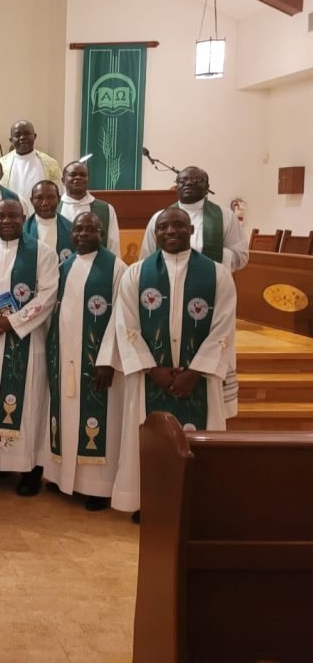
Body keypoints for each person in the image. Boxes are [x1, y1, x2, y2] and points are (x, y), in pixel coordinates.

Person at [111, 207, 237, 516]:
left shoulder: (217, 273)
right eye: (164, 227)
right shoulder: (136, 273)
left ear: (191, 230)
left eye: (178, 226)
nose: (171, 232)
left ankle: (197, 501)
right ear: (155, 234)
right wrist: (153, 370)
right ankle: (147, 500)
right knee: (148, 437)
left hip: (199, 380)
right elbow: (125, 325)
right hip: (150, 378)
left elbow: (224, 326)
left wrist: (194, 372)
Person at [0, 199, 58, 496]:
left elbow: (47, 295)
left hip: (25, 340)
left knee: (28, 399)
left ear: (23, 217)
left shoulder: (42, 253)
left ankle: (29, 467)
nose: (7, 221)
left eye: (13, 216)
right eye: (1, 216)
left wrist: (13, 322)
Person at [42, 212, 127, 511]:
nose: (83, 234)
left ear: (101, 233)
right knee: (63, 415)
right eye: (78, 229)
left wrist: (107, 361)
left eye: (90, 229)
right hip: (64, 358)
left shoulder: (117, 268)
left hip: (96, 362)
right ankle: (61, 476)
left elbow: (121, 319)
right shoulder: (64, 266)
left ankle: (98, 487)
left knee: (98, 418)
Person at [140, 166, 248, 272]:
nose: (189, 183)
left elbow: (241, 256)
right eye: (182, 180)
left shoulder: (226, 216)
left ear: (207, 187)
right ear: (176, 187)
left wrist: (214, 257)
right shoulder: (159, 218)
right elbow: (146, 258)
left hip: (211, 283)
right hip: (167, 284)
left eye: (197, 180)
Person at [59, 161, 121, 256]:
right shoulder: (55, 208)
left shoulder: (106, 209)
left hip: (97, 268)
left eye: (83, 175)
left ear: (88, 179)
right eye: (73, 174)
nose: (78, 177)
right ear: (63, 180)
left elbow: (113, 246)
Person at [0, 120, 61, 202]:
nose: (22, 138)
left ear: (34, 136)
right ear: (11, 140)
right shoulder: (1, 164)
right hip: (11, 213)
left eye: (27, 134)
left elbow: (58, 193)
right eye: (17, 135)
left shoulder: (50, 164)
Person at [24, 180, 74, 263]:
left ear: (59, 199)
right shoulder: (23, 231)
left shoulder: (71, 229)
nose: (45, 203)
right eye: (39, 198)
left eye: (50, 197)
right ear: (31, 200)